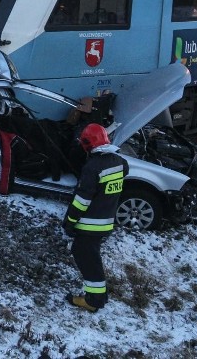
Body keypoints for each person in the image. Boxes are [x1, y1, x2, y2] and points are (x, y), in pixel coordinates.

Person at [62, 123, 129, 313]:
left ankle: (94, 300)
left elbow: (82, 200)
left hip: (90, 224)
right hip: (106, 221)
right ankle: (98, 295)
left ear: (87, 144)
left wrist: (70, 221)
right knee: (90, 257)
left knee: (86, 257)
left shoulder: (92, 167)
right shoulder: (119, 162)